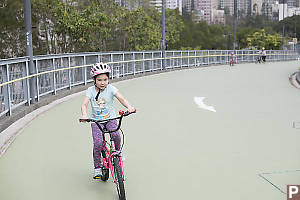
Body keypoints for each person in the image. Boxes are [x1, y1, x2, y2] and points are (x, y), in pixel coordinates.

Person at [80, 62, 135, 179]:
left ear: (108, 79)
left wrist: (129, 107)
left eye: (105, 79)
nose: (102, 82)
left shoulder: (111, 89)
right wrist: (84, 115)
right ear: (94, 80)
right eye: (99, 80)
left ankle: (119, 151)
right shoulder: (90, 91)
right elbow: (84, 104)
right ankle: (97, 168)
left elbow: (121, 98)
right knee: (98, 143)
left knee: (116, 135)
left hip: (110, 119)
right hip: (96, 121)